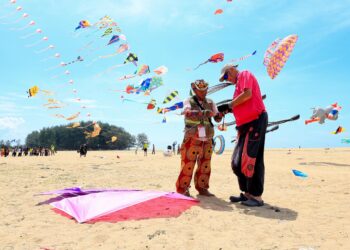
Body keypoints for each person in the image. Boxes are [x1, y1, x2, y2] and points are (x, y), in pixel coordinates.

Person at [218, 64, 267, 207]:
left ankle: (256, 196)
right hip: (243, 126)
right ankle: (247, 193)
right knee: (237, 161)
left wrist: (230, 105)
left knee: (251, 158)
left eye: (226, 76)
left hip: (255, 120)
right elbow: (239, 104)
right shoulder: (236, 87)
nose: (228, 80)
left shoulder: (244, 74)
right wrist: (225, 110)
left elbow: (248, 94)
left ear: (232, 70)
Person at [175, 79, 222, 197]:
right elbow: (187, 112)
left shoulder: (211, 102)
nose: (203, 92)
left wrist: (220, 115)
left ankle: (202, 188)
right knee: (187, 164)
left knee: (205, 165)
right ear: (194, 90)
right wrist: (203, 113)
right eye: (200, 90)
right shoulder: (188, 100)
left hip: (207, 139)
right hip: (192, 137)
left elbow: (217, 118)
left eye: (205, 90)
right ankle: (183, 189)